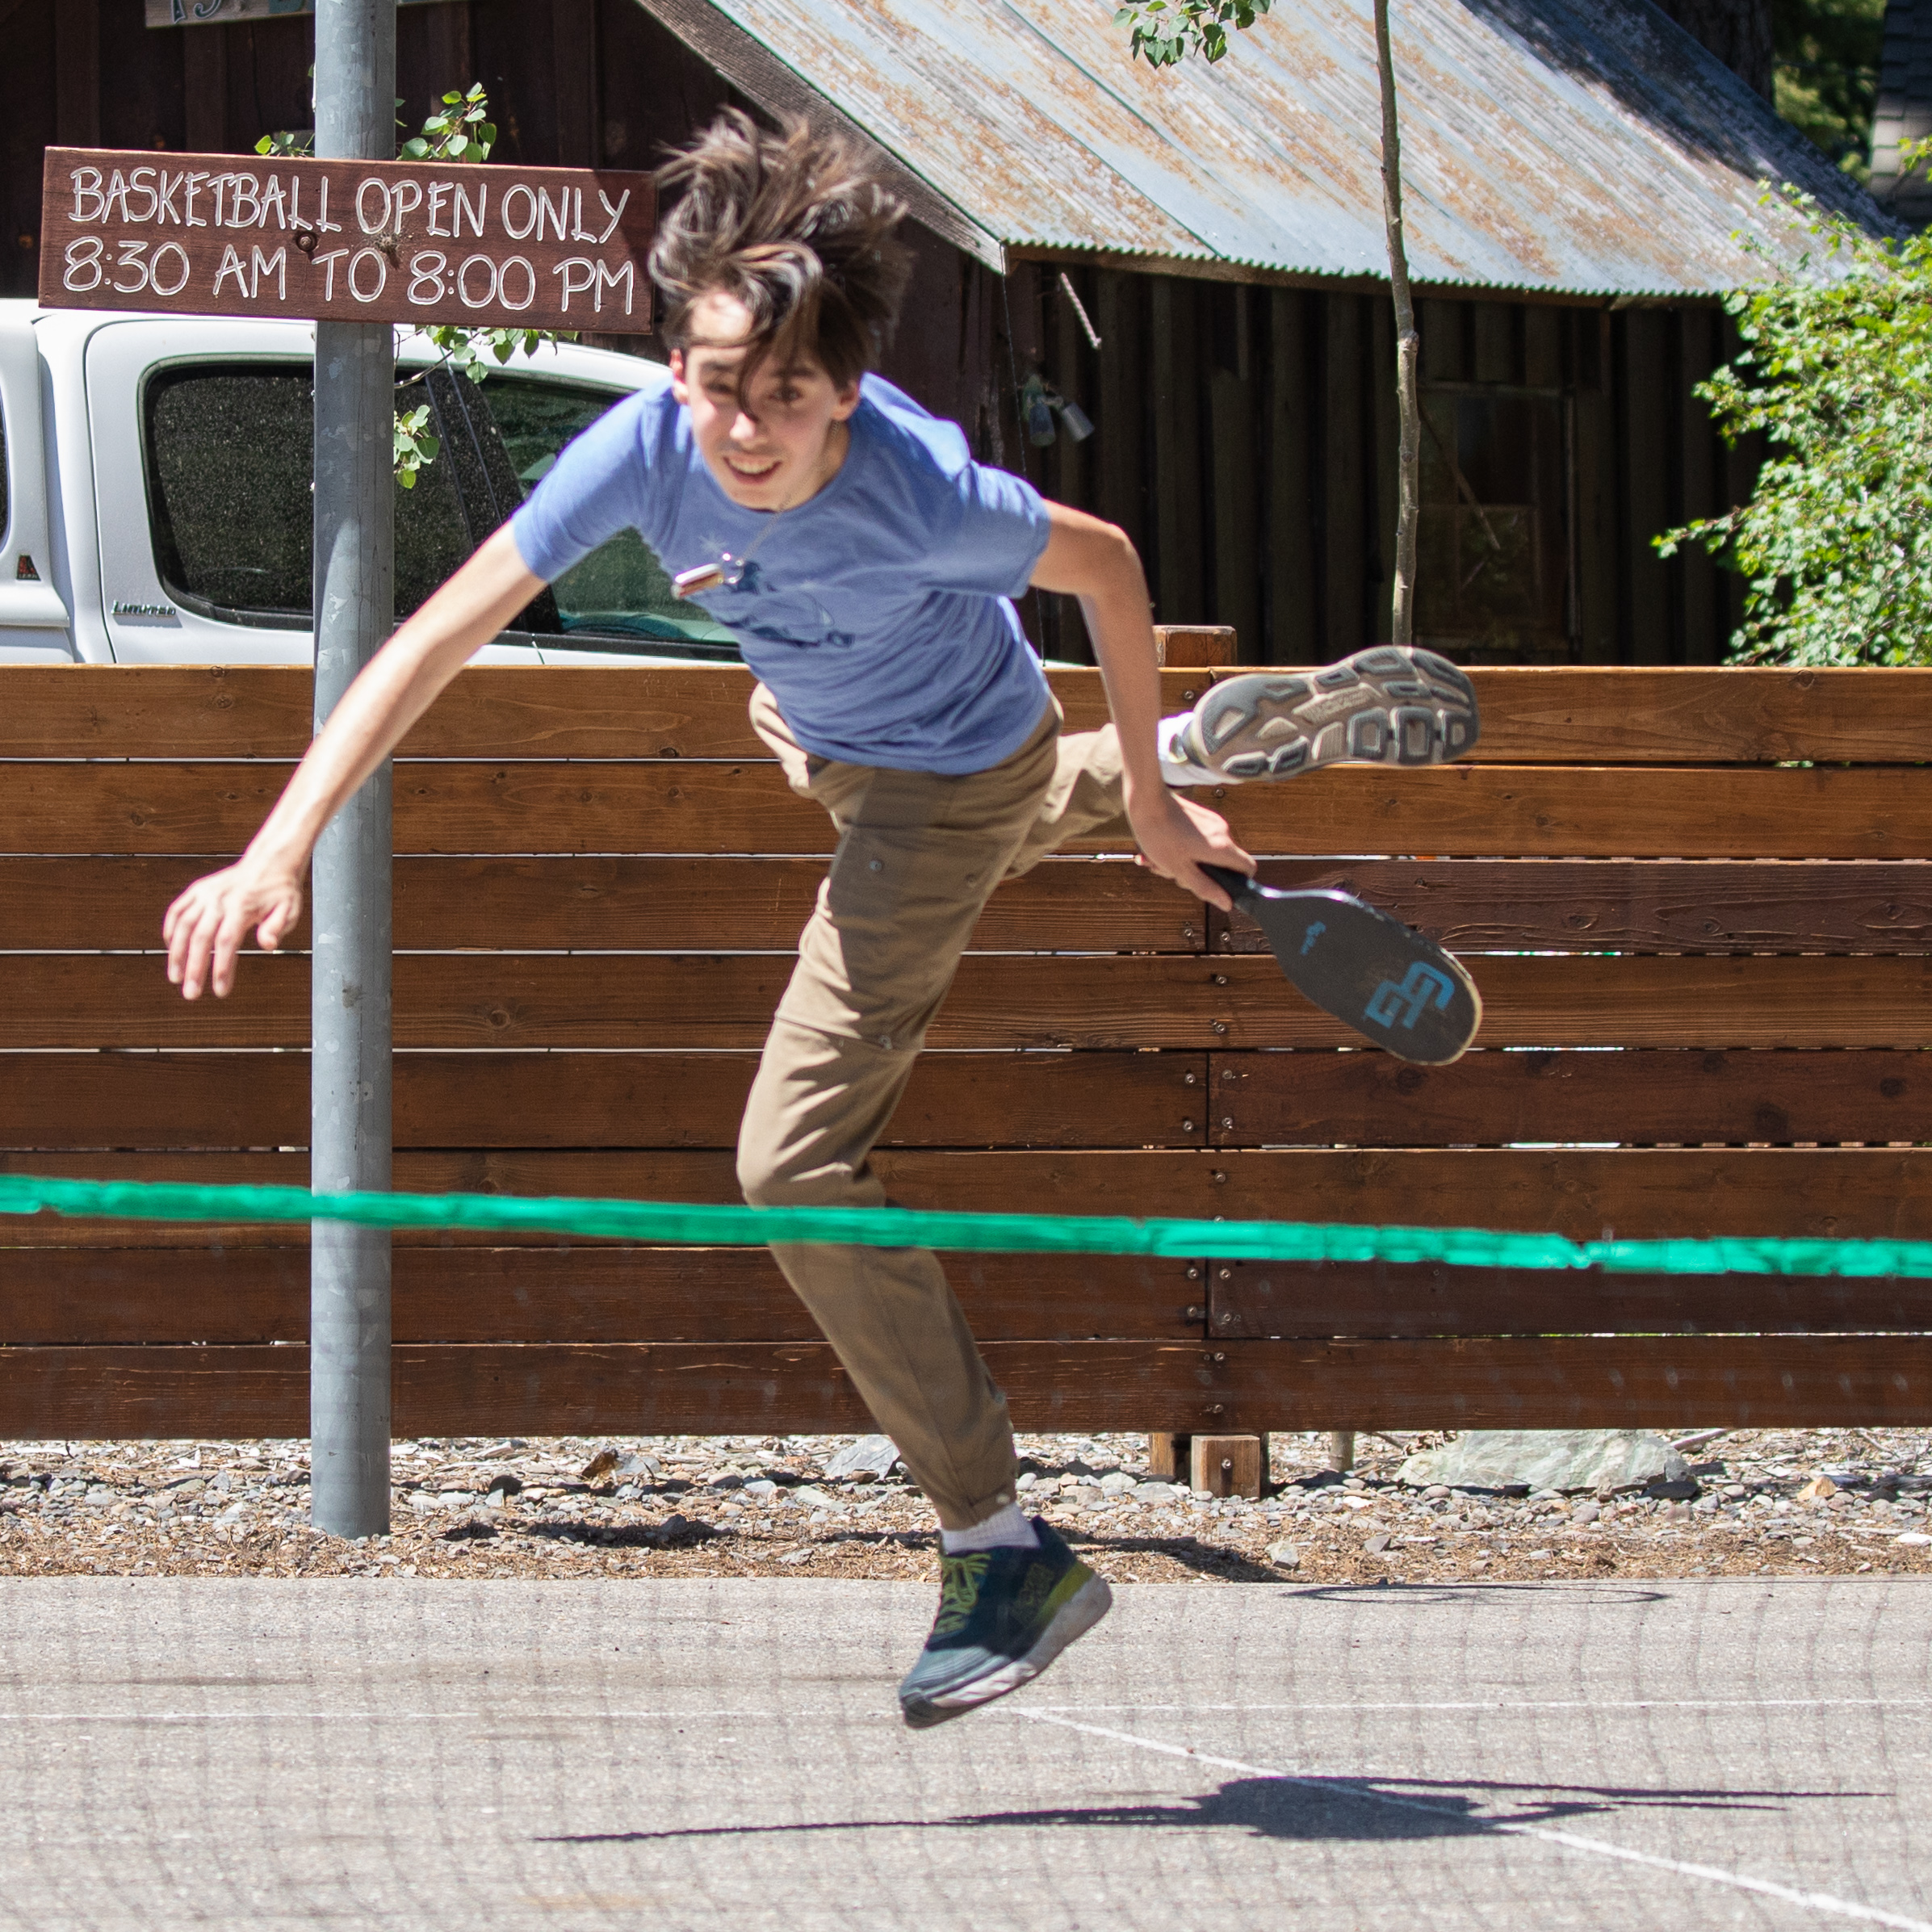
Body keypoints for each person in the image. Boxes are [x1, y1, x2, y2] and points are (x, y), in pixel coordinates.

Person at [162, 111, 1479, 1729]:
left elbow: (1112, 570)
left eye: (785, 397)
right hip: (850, 740)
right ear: (676, 358)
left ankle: (1001, 1545)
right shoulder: (645, 443)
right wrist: (278, 844)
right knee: (806, 727)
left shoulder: (919, 490)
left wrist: (1142, 807)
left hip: (943, 770)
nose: (744, 429)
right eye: (717, 383)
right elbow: (434, 635)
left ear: (846, 389)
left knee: (789, 1163)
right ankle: (1174, 753)